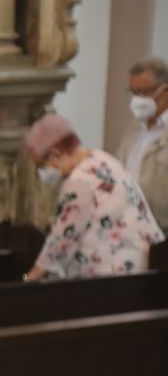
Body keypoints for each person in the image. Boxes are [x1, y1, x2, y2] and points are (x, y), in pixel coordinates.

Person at [23, 113, 164, 281]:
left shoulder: (80, 180)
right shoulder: (100, 158)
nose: (43, 172)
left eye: (41, 165)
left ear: (56, 153)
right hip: (133, 266)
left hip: (110, 274)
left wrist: (30, 277)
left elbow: (63, 237)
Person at [118, 57, 168, 227]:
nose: (137, 99)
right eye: (133, 92)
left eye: (144, 92)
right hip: (130, 222)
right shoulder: (134, 127)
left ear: (165, 90)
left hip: (162, 228)